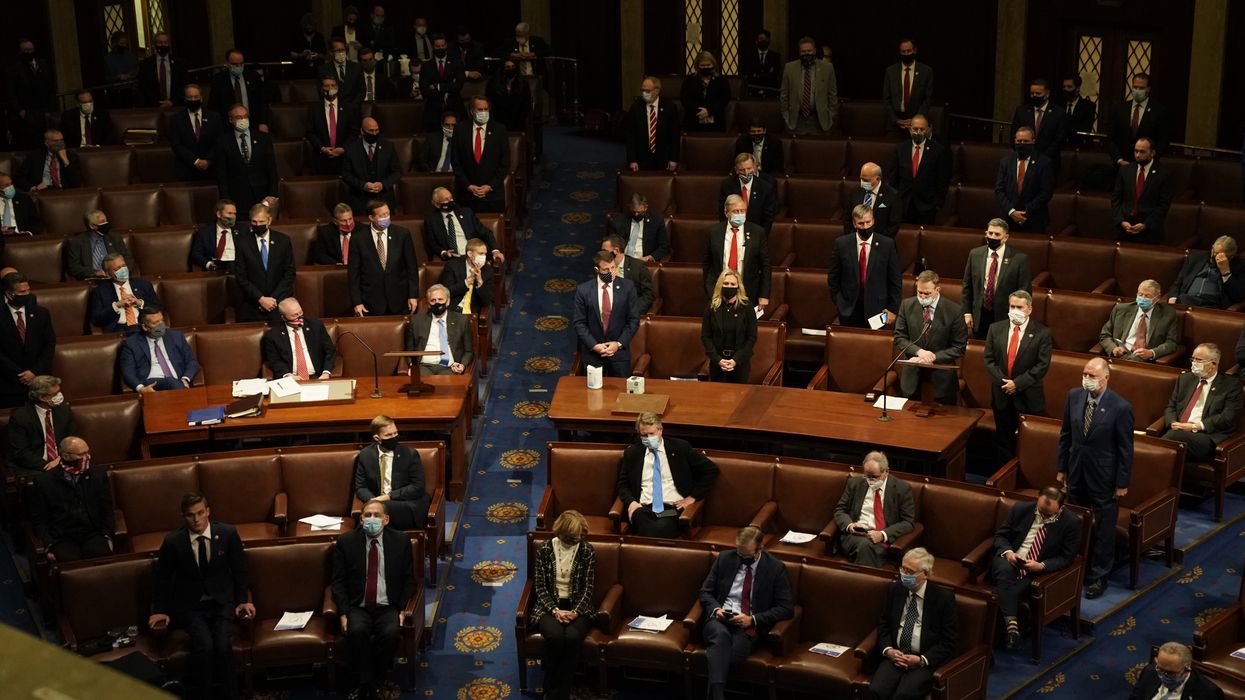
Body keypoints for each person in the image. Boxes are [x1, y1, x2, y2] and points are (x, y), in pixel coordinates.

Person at [149, 493, 253, 700]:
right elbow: (163, 579)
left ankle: (231, 695)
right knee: (204, 646)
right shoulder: (173, 542)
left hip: (222, 603)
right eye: (190, 515)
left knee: (223, 646)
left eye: (200, 513)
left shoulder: (227, 533)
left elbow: (239, 570)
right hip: (190, 607)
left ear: (208, 512)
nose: (196, 520)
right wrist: (159, 610)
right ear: (183, 516)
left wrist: (243, 601)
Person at [1056, 357, 1134, 599]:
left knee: (1103, 528)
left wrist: (1122, 483)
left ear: (1105, 378)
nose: (1086, 379)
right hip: (1077, 470)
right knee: (1074, 521)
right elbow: (1066, 434)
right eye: (1084, 374)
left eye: (1092, 376)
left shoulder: (1120, 407)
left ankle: (1098, 576)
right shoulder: (1073, 396)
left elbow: (1125, 449)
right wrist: (1062, 468)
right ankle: (1073, 566)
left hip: (1105, 477)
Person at [331, 498, 416, 700]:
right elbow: (338, 582)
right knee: (356, 631)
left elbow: (409, 580)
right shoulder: (346, 542)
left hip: (387, 605)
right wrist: (343, 612)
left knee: (391, 633)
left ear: (386, 520)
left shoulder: (400, 541)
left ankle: (369, 681)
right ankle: (370, 683)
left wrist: (402, 609)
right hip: (359, 605)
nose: (371, 519)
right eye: (367, 515)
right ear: (361, 520)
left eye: (376, 515)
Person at [698, 526, 794, 700]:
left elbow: (786, 608)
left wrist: (753, 620)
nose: (742, 560)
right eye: (739, 554)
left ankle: (715, 694)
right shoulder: (725, 558)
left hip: (747, 626)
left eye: (747, 557)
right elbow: (705, 592)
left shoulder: (775, 568)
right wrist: (716, 609)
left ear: (759, 549)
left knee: (724, 654)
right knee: (720, 636)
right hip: (719, 620)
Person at [989, 486, 1081, 649]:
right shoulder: (1021, 509)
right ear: (1037, 501)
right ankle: (1012, 628)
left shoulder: (1071, 522)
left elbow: (1067, 558)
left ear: (1061, 507)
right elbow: (1001, 536)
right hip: (1009, 560)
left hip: (1035, 571)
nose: (1044, 516)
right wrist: (1009, 553)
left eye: (1049, 514)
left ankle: (1004, 633)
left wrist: (1042, 566)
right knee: (1004, 571)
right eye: (1041, 512)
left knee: (1000, 591)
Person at [868, 547, 958, 700]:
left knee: (903, 696)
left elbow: (948, 642)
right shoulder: (895, 589)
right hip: (895, 656)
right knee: (875, 691)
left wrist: (921, 660)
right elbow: (884, 624)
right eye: (903, 568)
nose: (904, 575)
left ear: (926, 574)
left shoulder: (943, 599)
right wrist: (889, 650)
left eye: (910, 572)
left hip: (922, 661)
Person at [616, 412, 719, 538]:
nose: (648, 438)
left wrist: (692, 497)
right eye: (644, 435)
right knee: (644, 519)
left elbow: (711, 470)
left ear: (660, 430)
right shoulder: (633, 453)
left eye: (652, 434)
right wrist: (631, 502)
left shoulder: (680, 447)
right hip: (643, 509)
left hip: (670, 509)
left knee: (661, 527)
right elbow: (623, 484)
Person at [532, 510, 596, 700]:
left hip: (578, 607)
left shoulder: (586, 550)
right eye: (572, 538)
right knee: (556, 636)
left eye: (578, 537)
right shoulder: (545, 549)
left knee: (573, 637)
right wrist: (555, 610)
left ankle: (559, 694)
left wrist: (576, 612)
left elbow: (588, 588)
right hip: (549, 606)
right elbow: (540, 586)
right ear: (561, 533)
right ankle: (551, 688)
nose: (576, 541)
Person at [984, 291, 1052, 463]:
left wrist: (1017, 384)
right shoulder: (995, 329)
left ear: (1029, 309)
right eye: (1012, 306)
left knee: (1028, 443)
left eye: (1019, 307)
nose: (1015, 310)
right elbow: (989, 360)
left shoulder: (1042, 333)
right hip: (1002, 394)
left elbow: (1042, 365)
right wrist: (1005, 383)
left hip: (1028, 397)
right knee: (1003, 441)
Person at [29, 436, 114, 563]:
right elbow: (39, 519)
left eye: (88, 452)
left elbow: (106, 508)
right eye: (82, 454)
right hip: (62, 536)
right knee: (69, 563)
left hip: (92, 532)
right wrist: (48, 544)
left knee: (101, 559)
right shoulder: (44, 482)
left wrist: (107, 535)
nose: (87, 457)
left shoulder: (97, 474)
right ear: (66, 456)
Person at [892, 270, 968, 405]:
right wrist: (919, 352)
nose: (922, 296)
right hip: (912, 381)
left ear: (937, 289)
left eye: (926, 293)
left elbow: (959, 347)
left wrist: (933, 357)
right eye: (919, 292)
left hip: (941, 381)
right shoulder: (907, 305)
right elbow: (899, 337)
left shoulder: (954, 311)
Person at [1160, 343, 1243, 462]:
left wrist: (1194, 427)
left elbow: (1227, 418)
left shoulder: (1231, 386)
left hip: (1206, 436)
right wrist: (1173, 422)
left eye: (1198, 360)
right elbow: (1171, 406)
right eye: (1192, 359)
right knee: (1173, 443)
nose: (1194, 363)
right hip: (1178, 430)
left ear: (1213, 364)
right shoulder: (1185, 379)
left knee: (1171, 438)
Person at [832, 451, 916, 567]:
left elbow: (908, 522)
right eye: (867, 476)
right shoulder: (855, 484)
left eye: (875, 477)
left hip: (883, 539)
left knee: (868, 549)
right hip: (855, 536)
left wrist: (883, 534)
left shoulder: (902, 489)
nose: (870, 480)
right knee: (866, 546)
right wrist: (850, 525)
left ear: (886, 472)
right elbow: (840, 510)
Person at [828, 205, 902, 328]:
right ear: (854, 224)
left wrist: (893, 309)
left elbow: (895, 280)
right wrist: (840, 302)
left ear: (873, 221)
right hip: (849, 309)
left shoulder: (887, 244)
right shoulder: (842, 244)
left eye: (868, 222)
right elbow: (833, 276)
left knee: (875, 345)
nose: (865, 226)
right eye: (861, 223)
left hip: (879, 309)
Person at [353, 415, 430, 530]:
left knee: (374, 516)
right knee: (376, 514)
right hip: (378, 504)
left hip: (406, 504)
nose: (394, 437)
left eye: (395, 433)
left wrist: (387, 497)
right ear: (377, 438)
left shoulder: (409, 454)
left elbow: (417, 487)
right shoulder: (365, 455)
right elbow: (360, 487)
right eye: (388, 435)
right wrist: (373, 501)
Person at [961, 218, 1032, 340]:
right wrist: (967, 312)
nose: (992, 237)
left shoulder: (1019, 259)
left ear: (1005, 237)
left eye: (997, 234)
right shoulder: (975, 254)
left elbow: (1024, 292)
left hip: (1005, 316)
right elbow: (967, 286)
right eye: (990, 233)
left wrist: (1018, 316)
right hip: (980, 315)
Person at [573, 252, 640, 378]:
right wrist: (594, 345)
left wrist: (618, 344)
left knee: (621, 395)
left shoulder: (628, 287)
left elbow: (633, 321)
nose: (611, 272)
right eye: (606, 269)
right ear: (597, 270)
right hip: (593, 355)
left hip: (619, 355)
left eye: (613, 268)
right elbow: (579, 323)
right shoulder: (583, 290)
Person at [348, 201, 418, 317]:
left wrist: (413, 295)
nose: (386, 217)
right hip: (370, 303)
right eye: (382, 216)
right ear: (371, 217)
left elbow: (411, 267)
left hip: (400, 301)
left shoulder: (402, 234)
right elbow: (353, 274)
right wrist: (357, 302)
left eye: (387, 214)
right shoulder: (358, 239)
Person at [703, 195, 771, 313]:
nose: (740, 214)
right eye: (736, 211)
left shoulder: (757, 232)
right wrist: (710, 289)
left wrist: (764, 295)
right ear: (726, 213)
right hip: (719, 292)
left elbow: (765, 265)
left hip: (748, 290)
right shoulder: (714, 232)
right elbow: (706, 263)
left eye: (742, 211)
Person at [0, 272, 55, 408]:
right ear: (9, 294)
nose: (27, 294)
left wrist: (34, 372)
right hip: (9, 382)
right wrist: (19, 374)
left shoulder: (41, 313)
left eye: (28, 290)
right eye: (22, 292)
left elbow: (49, 345)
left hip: (39, 379)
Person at [232, 204, 294, 322]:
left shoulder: (283, 241)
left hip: (279, 301)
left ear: (269, 220)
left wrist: (273, 300)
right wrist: (260, 299)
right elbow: (241, 277)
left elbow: (289, 273)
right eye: (254, 222)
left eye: (261, 221)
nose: (258, 225)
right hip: (253, 303)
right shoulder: (242, 242)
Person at [215, 104, 279, 217]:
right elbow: (222, 174)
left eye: (245, 116)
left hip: (262, 196)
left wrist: (272, 195)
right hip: (237, 198)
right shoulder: (223, 142)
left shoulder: (263, 138)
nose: (243, 120)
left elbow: (272, 169)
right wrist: (226, 202)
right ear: (231, 120)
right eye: (238, 117)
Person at [5, 374, 73, 474]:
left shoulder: (64, 410)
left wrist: (60, 460)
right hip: (35, 466)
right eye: (55, 394)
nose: (60, 396)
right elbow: (21, 452)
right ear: (42, 397)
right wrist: (48, 466)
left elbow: (72, 439)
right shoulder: (20, 417)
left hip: (61, 461)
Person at [1098, 280, 1180, 362]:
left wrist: (1152, 352)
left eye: (1147, 296)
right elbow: (1105, 335)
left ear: (1157, 298)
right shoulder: (1121, 310)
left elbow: (1171, 343)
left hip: (1145, 360)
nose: (1143, 298)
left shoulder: (1168, 314)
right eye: (1140, 295)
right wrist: (1114, 348)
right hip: (1120, 356)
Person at [453, 96, 510, 214]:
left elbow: (505, 162)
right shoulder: (460, 129)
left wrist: (489, 186)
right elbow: (456, 161)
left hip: (493, 195)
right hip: (466, 195)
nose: (483, 112)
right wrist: (468, 186)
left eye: (486, 109)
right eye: (480, 109)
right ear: (472, 111)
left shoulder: (499, 129)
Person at [1111, 137, 1173, 245]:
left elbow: (1163, 205)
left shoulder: (1163, 174)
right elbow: (1116, 198)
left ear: (1152, 152)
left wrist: (1146, 224)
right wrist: (1121, 221)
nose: (1138, 155)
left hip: (1149, 233)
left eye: (1142, 151)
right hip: (1124, 230)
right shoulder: (1125, 170)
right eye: (1136, 151)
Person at [119, 308, 199, 392]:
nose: (161, 325)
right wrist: (141, 388)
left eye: (162, 321)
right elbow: (127, 370)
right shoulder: (131, 343)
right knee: (170, 382)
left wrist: (185, 379)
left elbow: (191, 361)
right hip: (151, 384)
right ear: (145, 327)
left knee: (172, 382)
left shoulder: (176, 337)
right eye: (155, 323)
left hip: (178, 381)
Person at [892, 115, 951, 225]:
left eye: (922, 129)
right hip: (904, 204)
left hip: (927, 206)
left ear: (928, 130)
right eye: (915, 129)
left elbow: (943, 180)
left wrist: (937, 204)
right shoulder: (900, 149)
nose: (918, 132)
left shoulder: (938, 151)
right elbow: (894, 178)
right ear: (910, 129)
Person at [994, 126, 1054, 233]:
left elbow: (1046, 192)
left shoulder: (1044, 163)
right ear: (1015, 141)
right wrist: (1012, 212)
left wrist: (1026, 211)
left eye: (1026, 141)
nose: (1022, 144)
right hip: (1008, 219)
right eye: (1019, 141)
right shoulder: (1005, 162)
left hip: (1034, 220)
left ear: (1033, 141)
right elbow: (999, 190)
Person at [701, 269, 757, 384]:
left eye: (732, 284)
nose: (729, 286)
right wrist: (718, 359)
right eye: (726, 283)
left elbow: (751, 337)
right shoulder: (712, 306)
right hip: (718, 363)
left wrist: (735, 360)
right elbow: (706, 336)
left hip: (740, 363)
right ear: (720, 285)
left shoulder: (747, 307)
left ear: (738, 287)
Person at [405, 284, 474, 376]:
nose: (437, 303)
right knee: (423, 384)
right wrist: (412, 365)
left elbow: (468, 351)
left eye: (440, 299)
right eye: (433, 300)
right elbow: (409, 349)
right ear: (428, 304)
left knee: (445, 386)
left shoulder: (461, 320)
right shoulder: (416, 321)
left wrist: (462, 365)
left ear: (448, 301)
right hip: (424, 366)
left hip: (450, 366)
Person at [425, 187, 504, 263]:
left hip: (473, 254)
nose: (450, 201)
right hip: (452, 259)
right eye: (446, 200)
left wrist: (495, 250)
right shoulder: (432, 220)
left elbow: (486, 232)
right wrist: (443, 252)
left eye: (451, 198)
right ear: (436, 204)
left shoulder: (466, 213)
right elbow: (432, 243)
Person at [261, 298, 335, 380]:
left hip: (317, 376)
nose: (300, 317)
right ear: (284, 317)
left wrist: (326, 373)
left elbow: (330, 351)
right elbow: (274, 360)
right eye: (294, 315)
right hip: (291, 378)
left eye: (300, 312)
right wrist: (288, 376)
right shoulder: (273, 335)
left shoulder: (316, 326)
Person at [340, 117, 401, 215]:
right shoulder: (351, 149)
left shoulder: (388, 147)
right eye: (371, 131)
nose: (374, 134)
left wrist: (383, 184)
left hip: (384, 198)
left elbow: (397, 172)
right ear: (362, 131)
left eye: (377, 130)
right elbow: (346, 174)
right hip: (359, 199)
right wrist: (363, 185)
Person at [1106, 73, 1169, 166]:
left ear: (1148, 89)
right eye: (1135, 87)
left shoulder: (1159, 111)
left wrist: (1150, 160)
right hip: (1121, 165)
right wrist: (1119, 160)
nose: (1137, 90)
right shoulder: (1119, 109)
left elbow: (1163, 140)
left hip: (1146, 166)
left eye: (1141, 88)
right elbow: (1110, 138)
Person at [88, 253, 160, 333]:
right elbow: (96, 319)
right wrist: (116, 306)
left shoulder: (143, 285)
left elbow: (158, 308)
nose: (123, 270)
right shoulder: (100, 291)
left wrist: (139, 303)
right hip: (119, 330)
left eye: (124, 266)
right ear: (108, 274)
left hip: (145, 326)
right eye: (117, 269)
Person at [1167, 236, 1245, 309]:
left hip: (1212, 303)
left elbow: (1237, 296)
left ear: (1231, 256)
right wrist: (1173, 298)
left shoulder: (1239, 266)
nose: (1215, 256)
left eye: (1221, 255)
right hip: (1187, 299)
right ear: (1212, 248)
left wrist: (1226, 272)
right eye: (1214, 252)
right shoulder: (1195, 258)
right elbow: (1178, 282)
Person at [1129, 642, 1225, 700]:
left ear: (1187, 668)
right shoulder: (1149, 672)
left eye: (1170, 673)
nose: (1162, 675)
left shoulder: (1208, 693)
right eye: (1160, 669)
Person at [5, 40, 56, 148]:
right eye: (26, 50)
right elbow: (11, 92)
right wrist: (19, 109)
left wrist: (51, 107)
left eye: (31, 50)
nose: (29, 52)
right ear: (21, 51)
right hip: (27, 110)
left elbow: (50, 85)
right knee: (32, 139)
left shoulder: (43, 63)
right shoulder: (14, 68)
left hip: (44, 108)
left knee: (47, 137)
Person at [781, 36, 837, 135]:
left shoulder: (827, 68)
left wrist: (831, 117)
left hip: (820, 121)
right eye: (803, 51)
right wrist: (786, 117)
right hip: (796, 121)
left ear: (815, 51)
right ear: (799, 52)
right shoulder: (789, 68)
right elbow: (784, 95)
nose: (807, 53)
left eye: (809, 50)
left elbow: (832, 95)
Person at [305, 75, 359, 175]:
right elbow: (310, 132)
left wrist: (343, 148)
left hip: (344, 158)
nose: (330, 88)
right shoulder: (314, 109)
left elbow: (354, 132)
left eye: (333, 85)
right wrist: (322, 148)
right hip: (321, 159)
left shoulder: (349, 108)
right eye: (326, 86)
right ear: (321, 89)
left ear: (337, 87)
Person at [624, 76, 680, 172]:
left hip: (664, 157)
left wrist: (673, 159)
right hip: (641, 157)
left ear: (657, 90)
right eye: (642, 90)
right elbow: (630, 135)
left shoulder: (670, 107)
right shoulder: (636, 107)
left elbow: (674, 135)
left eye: (647, 91)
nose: (644, 93)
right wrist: (632, 160)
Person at [170, 84, 222, 182]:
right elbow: (176, 145)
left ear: (201, 98)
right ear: (185, 99)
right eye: (190, 97)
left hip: (211, 169)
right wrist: (195, 161)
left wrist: (208, 160)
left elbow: (218, 142)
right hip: (186, 169)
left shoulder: (214, 117)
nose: (193, 100)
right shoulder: (176, 119)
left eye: (196, 97)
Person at [882, 38, 933, 137]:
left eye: (909, 51)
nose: (906, 54)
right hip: (895, 123)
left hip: (918, 124)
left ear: (915, 50)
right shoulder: (890, 71)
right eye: (903, 51)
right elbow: (886, 99)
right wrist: (896, 120)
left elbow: (928, 99)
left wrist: (915, 120)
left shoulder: (926, 71)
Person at [1010, 78, 1066, 167]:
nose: (1034, 96)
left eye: (1038, 93)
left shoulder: (1058, 113)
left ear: (1047, 94)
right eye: (1032, 93)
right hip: (1024, 160)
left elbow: (1058, 139)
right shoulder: (1022, 111)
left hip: (1049, 162)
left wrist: (1041, 158)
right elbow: (1014, 135)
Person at [67, 210, 137, 281]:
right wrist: (95, 272)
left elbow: (128, 258)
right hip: (93, 279)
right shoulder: (77, 242)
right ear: (92, 226)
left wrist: (121, 271)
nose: (106, 224)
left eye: (106, 221)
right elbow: (73, 267)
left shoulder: (114, 237)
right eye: (102, 222)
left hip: (115, 278)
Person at [207, 49, 268, 130]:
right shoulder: (218, 80)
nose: (239, 67)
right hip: (228, 126)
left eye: (241, 64)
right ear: (228, 64)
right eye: (235, 64)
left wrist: (263, 122)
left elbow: (262, 101)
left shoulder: (253, 77)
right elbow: (213, 105)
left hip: (252, 124)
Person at [718, 153, 777, 232]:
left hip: (756, 233)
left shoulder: (765, 188)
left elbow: (768, 218)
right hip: (732, 231)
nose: (746, 173)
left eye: (749, 168)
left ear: (754, 168)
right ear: (736, 170)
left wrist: (759, 237)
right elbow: (723, 213)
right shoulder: (727, 185)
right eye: (742, 170)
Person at [844, 162, 904, 239]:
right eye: (861, 179)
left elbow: (893, 226)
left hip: (881, 244)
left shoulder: (892, 195)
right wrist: (856, 239)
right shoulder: (854, 192)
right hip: (856, 242)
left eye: (866, 180)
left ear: (877, 179)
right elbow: (847, 219)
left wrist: (874, 242)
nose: (862, 183)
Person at [420, 35, 466, 131]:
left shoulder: (456, 63)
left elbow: (458, 85)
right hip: (434, 109)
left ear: (446, 46)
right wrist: (448, 88)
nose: (441, 48)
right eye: (438, 46)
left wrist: (438, 86)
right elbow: (424, 89)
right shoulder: (426, 66)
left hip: (455, 107)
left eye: (443, 45)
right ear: (433, 47)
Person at [608, 193, 670, 262]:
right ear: (630, 207)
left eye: (639, 212)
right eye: (634, 212)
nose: (636, 215)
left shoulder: (656, 221)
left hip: (644, 261)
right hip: (622, 260)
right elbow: (610, 243)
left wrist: (649, 257)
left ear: (646, 207)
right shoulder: (619, 221)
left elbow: (664, 246)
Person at [441, 238, 495, 316]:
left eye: (485, 254)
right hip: (454, 309)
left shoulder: (487, 270)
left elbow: (488, 300)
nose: (484, 257)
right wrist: (467, 282)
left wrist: (480, 282)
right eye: (481, 253)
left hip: (472, 313)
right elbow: (446, 292)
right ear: (470, 254)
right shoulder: (452, 266)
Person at [14, 129, 81, 191]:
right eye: (56, 141)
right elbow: (19, 178)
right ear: (46, 142)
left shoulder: (71, 156)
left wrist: (65, 160)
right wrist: (34, 187)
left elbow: (77, 182)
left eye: (61, 140)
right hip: (43, 191)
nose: (60, 144)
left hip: (63, 192)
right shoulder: (34, 156)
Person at [601, 234, 653, 314]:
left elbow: (648, 296)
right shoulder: (602, 268)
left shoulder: (638, 267)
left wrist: (631, 311)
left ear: (616, 251)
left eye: (605, 252)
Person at [680, 51, 731, 132]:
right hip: (694, 120)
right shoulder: (690, 79)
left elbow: (725, 98)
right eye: (702, 65)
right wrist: (699, 111)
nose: (705, 67)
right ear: (697, 66)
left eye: (708, 65)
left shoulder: (721, 79)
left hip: (716, 121)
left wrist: (709, 111)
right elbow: (684, 98)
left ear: (713, 65)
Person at [190, 199, 246, 272]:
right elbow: (196, 254)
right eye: (229, 213)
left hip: (239, 268)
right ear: (219, 214)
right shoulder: (205, 233)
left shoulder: (243, 230)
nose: (233, 217)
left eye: (234, 214)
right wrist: (209, 264)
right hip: (217, 269)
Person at [137, 32, 186, 108]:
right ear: (155, 45)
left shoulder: (179, 63)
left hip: (175, 106)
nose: (163, 45)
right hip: (153, 107)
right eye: (160, 42)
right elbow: (142, 88)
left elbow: (183, 85)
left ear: (169, 44)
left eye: (165, 42)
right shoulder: (145, 64)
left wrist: (172, 102)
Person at [486, 58, 532, 133]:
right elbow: (490, 103)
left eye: (513, 67)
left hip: (518, 121)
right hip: (498, 119)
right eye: (507, 67)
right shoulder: (493, 84)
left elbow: (526, 105)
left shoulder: (523, 84)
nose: (511, 69)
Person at [318, 39, 363, 106]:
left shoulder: (356, 68)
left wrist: (352, 107)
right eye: (337, 50)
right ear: (331, 52)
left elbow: (361, 91)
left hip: (353, 109)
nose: (341, 53)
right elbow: (321, 92)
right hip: (333, 108)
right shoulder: (323, 70)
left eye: (343, 50)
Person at [742, 29, 782, 97]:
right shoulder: (749, 56)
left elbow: (774, 75)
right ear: (756, 41)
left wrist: (757, 75)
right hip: (753, 90)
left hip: (771, 91)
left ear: (769, 41)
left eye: (765, 39)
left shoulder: (775, 56)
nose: (763, 41)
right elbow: (748, 73)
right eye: (761, 39)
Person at [1059, 74, 1095, 148]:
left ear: (1077, 88)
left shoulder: (1088, 106)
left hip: (1078, 146)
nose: (1066, 89)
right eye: (1064, 86)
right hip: (1060, 146)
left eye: (1069, 87)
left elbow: (1085, 128)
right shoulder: (1058, 104)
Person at [289, 13, 326, 78]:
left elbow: (325, 54)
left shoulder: (320, 37)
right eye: (307, 25)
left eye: (311, 25)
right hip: (300, 70)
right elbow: (291, 53)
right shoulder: (297, 37)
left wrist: (317, 56)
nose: (309, 27)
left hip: (317, 70)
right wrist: (301, 55)